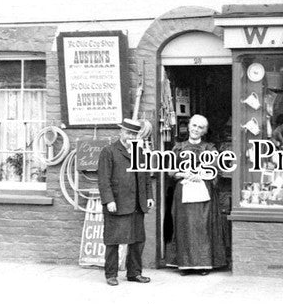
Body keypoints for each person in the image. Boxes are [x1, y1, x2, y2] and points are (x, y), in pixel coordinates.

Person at [166, 114, 227, 274]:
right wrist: (184, 174)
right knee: (184, 226)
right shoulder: (178, 147)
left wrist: (200, 175)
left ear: (204, 131)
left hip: (203, 192)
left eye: (200, 127)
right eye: (194, 125)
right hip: (184, 190)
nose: (196, 129)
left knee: (202, 226)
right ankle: (185, 264)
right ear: (189, 126)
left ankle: (203, 263)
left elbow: (216, 169)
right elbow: (171, 171)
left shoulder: (210, 148)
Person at [97, 118, 154, 287]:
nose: (131, 136)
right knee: (113, 240)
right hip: (117, 204)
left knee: (137, 241)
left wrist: (149, 196)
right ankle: (111, 274)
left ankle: (134, 273)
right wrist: (109, 201)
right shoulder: (109, 151)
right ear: (120, 132)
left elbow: (146, 178)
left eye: (134, 134)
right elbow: (103, 180)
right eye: (128, 132)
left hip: (137, 204)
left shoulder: (140, 153)